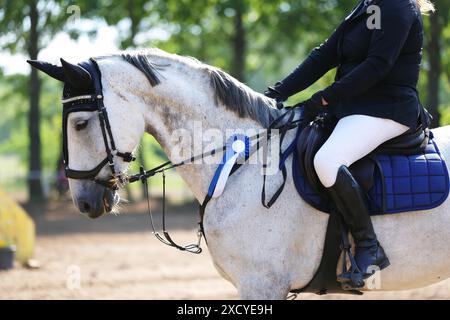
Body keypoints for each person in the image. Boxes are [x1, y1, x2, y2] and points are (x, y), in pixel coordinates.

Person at [265, 0, 435, 279]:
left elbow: (377, 66)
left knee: (327, 161)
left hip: (386, 109)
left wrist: (324, 97)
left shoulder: (395, 7)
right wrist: (276, 93)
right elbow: (325, 55)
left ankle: (369, 246)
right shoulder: (368, 6)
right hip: (353, 107)